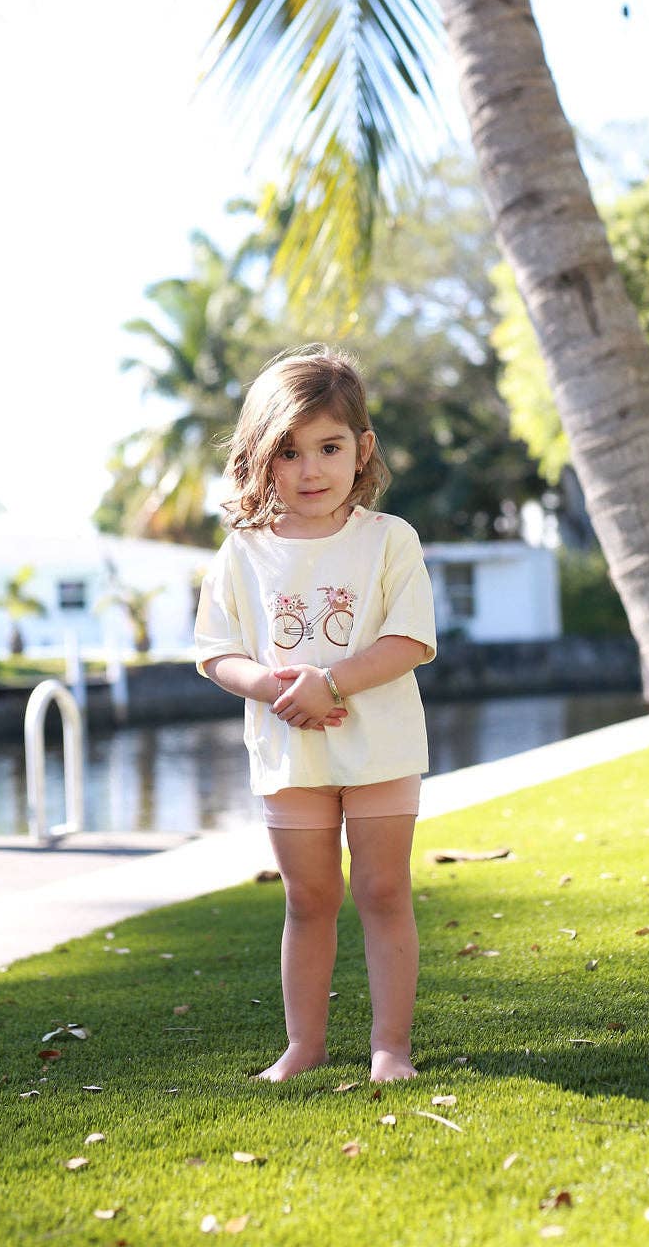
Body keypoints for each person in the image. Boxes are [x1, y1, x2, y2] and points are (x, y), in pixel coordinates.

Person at [195, 346, 436, 1083]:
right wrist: (275, 688)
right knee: (309, 898)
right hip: (288, 753)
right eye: (289, 452)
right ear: (258, 460)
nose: (310, 470)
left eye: (329, 448)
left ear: (361, 450)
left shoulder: (389, 539)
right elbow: (215, 652)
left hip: (382, 750)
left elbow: (410, 640)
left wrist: (331, 683)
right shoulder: (243, 552)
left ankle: (389, 1048)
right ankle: (304, 1046)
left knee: (384, 891)